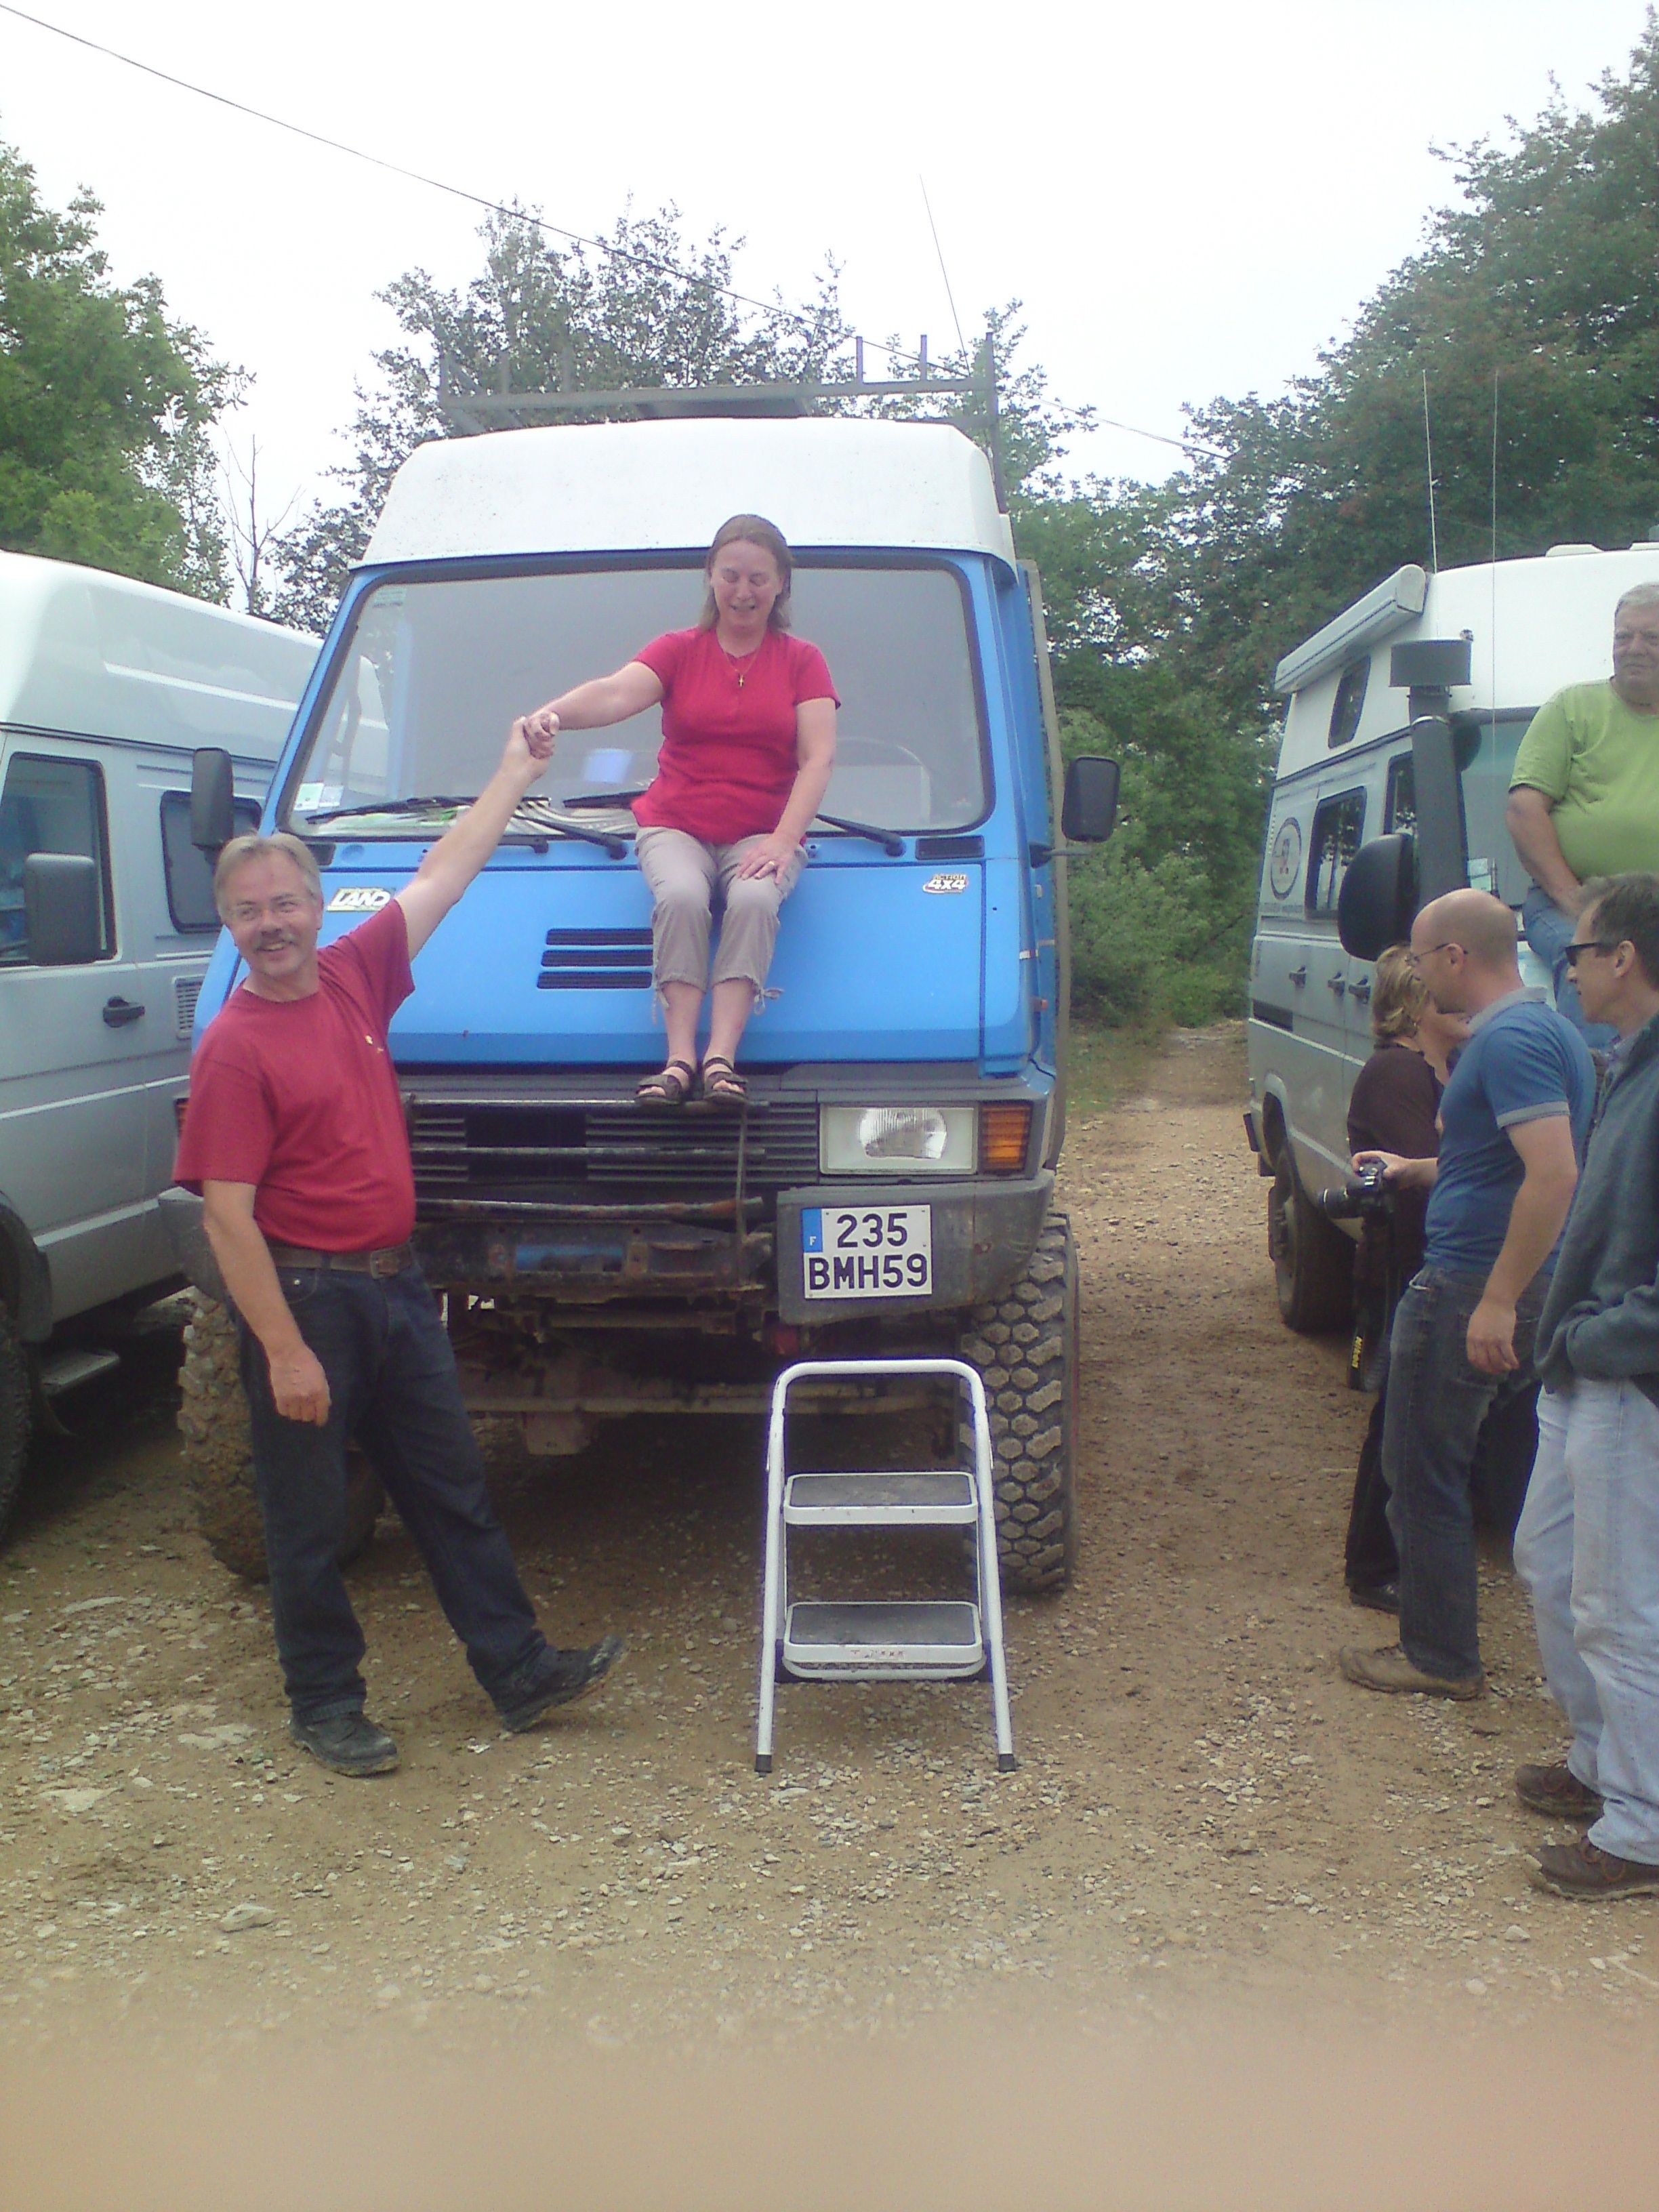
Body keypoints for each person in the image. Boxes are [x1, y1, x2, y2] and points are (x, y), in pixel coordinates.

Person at [173, 722, 622, 1778]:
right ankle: (325, 1705)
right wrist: (284, 1351)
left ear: (318, 903)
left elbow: (447, 872)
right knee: (307, 1519)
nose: (271, 925)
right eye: (249, 912)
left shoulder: (354, 975)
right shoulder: (234, 1047)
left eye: (286, 904)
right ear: (229, 924)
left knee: (452, 1489)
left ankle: (519, 1671)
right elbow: (227, 1220)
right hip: (309, 1301)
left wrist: (513, 773)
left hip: (396, 1289)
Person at [1339, 888, 1593, 1700]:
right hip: (1504, 1274)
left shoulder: (1510, 1040)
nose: (1417, 976)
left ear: (1455, 956)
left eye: (1420, 959)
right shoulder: (1544, 1029)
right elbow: (1504, 1160)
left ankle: (1440, 1658)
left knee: (1423, 1468)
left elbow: (1554, 1174)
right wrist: (1417, 1170)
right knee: (1478, 1460)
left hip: (1472, 1280)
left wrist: (1497, 1298)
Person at [525, 514, 838, 1107]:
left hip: (763, 830)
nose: (743, 592)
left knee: (754, 899)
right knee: (683, 898)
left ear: (780, 585)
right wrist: (552, 715)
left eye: (758, 579)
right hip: (676, 825)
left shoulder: (803, 660)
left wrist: (782, 841)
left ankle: (721, 1059)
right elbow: (616, 692)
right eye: (731, 576)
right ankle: (677, 1061)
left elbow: (817, 758)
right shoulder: (678, 650)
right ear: (710, 576)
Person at [1512, 872, 1659, 1901]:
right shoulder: (1629, 1063)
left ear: (1624, 958)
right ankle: (1602, 1761)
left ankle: (1642, 1828)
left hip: (1627, 1377)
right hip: (1585, 1366)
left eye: (1577, 950)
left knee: (1618, 1605)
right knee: (1547, 1561)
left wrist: (1605, 1338)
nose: (1566, 968)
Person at [1340, 947, 1467, 1611]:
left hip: (1427, 1260)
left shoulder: (1440, 1067)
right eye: (1446, 992)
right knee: (1400, 1413)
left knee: (1416, 1412)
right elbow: (1424, 1167)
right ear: (1415, 1004)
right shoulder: (1395, 1072)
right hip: (1403, 1264)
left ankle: (1391, 1555)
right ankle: (1372, 1564)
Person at [1506, 581, 1659, 1046]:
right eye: (1623, 637)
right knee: (1594, 959)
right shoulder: (1571, 708)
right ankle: (1600, 1084)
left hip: (1653, 907)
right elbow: (1524, 808)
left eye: (1651, 638)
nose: (1634, 649)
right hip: (1571, 901)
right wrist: (1576, 901)